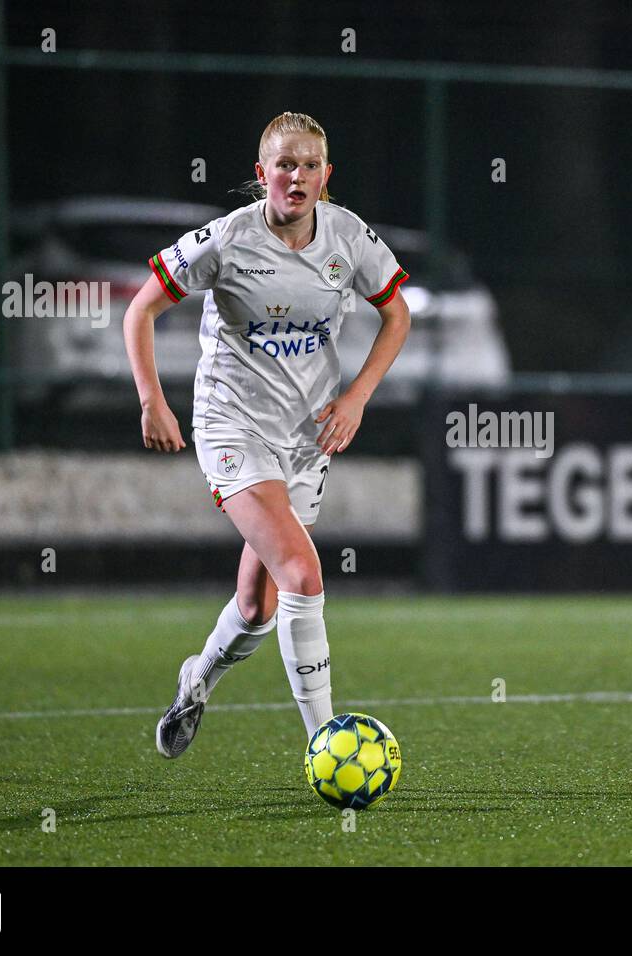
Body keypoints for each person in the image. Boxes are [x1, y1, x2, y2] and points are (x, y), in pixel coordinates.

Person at [122, 111, 411, 758]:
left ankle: (198, 678)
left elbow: (396, 313)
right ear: (263, 174)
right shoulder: (227, 239)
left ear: (326, 176)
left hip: (307, 439)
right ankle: (325, 745)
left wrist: (357, 397)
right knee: (305, 573)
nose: (298, 176)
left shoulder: (348, 237)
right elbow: (140, 308)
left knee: (258, 607)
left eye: (310, 165)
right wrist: (152, 400)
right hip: (233, 425)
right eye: (285, 164)